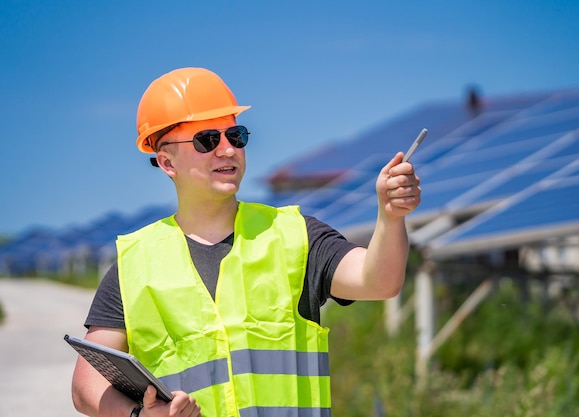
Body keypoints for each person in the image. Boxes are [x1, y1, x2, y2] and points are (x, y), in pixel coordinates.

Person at [71, 67, 421, 417]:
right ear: (166, 162)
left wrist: (390, 218)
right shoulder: (134, 263)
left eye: (235, 136)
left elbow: (381, 280)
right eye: (207, 139)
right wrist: (139, 416)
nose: (227, 150)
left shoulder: (296, 235)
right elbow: (85, 386)